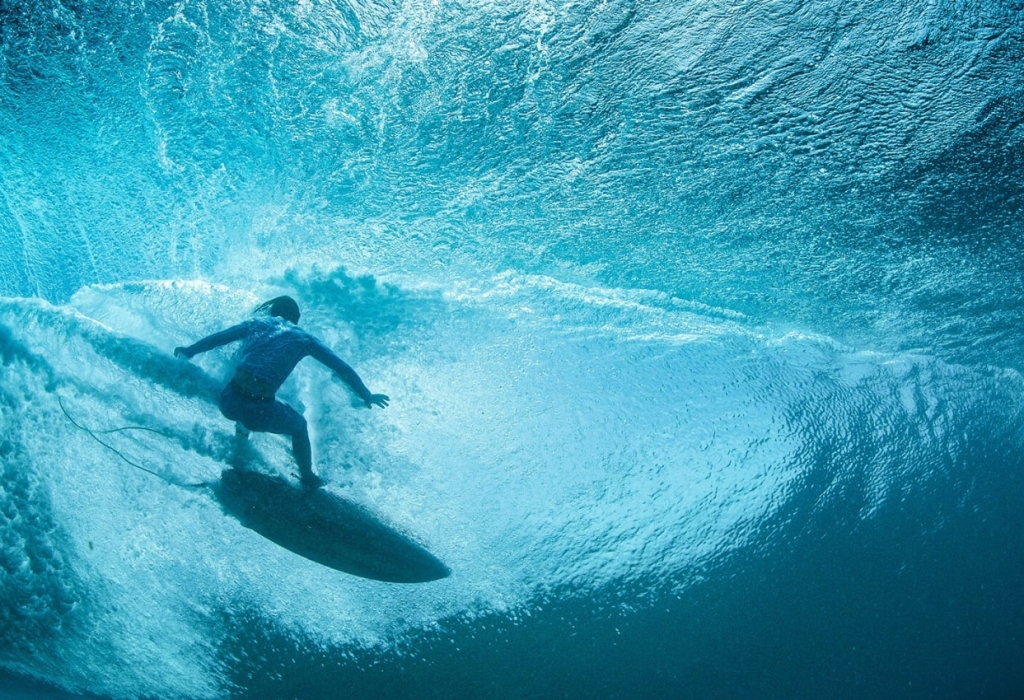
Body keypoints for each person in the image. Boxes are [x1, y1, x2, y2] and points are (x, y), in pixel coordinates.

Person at [174, 295, 389, 489]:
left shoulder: (257, 323)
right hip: (259, 413)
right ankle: (307, 478)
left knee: (242, 391)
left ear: (272, 313)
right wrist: (366, 395)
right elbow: (340, 367)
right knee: (299, 426)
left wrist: (189, 350)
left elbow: (219, 338)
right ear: (296, 318)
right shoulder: (303, 339)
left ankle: (240, 448)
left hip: (228, 402)